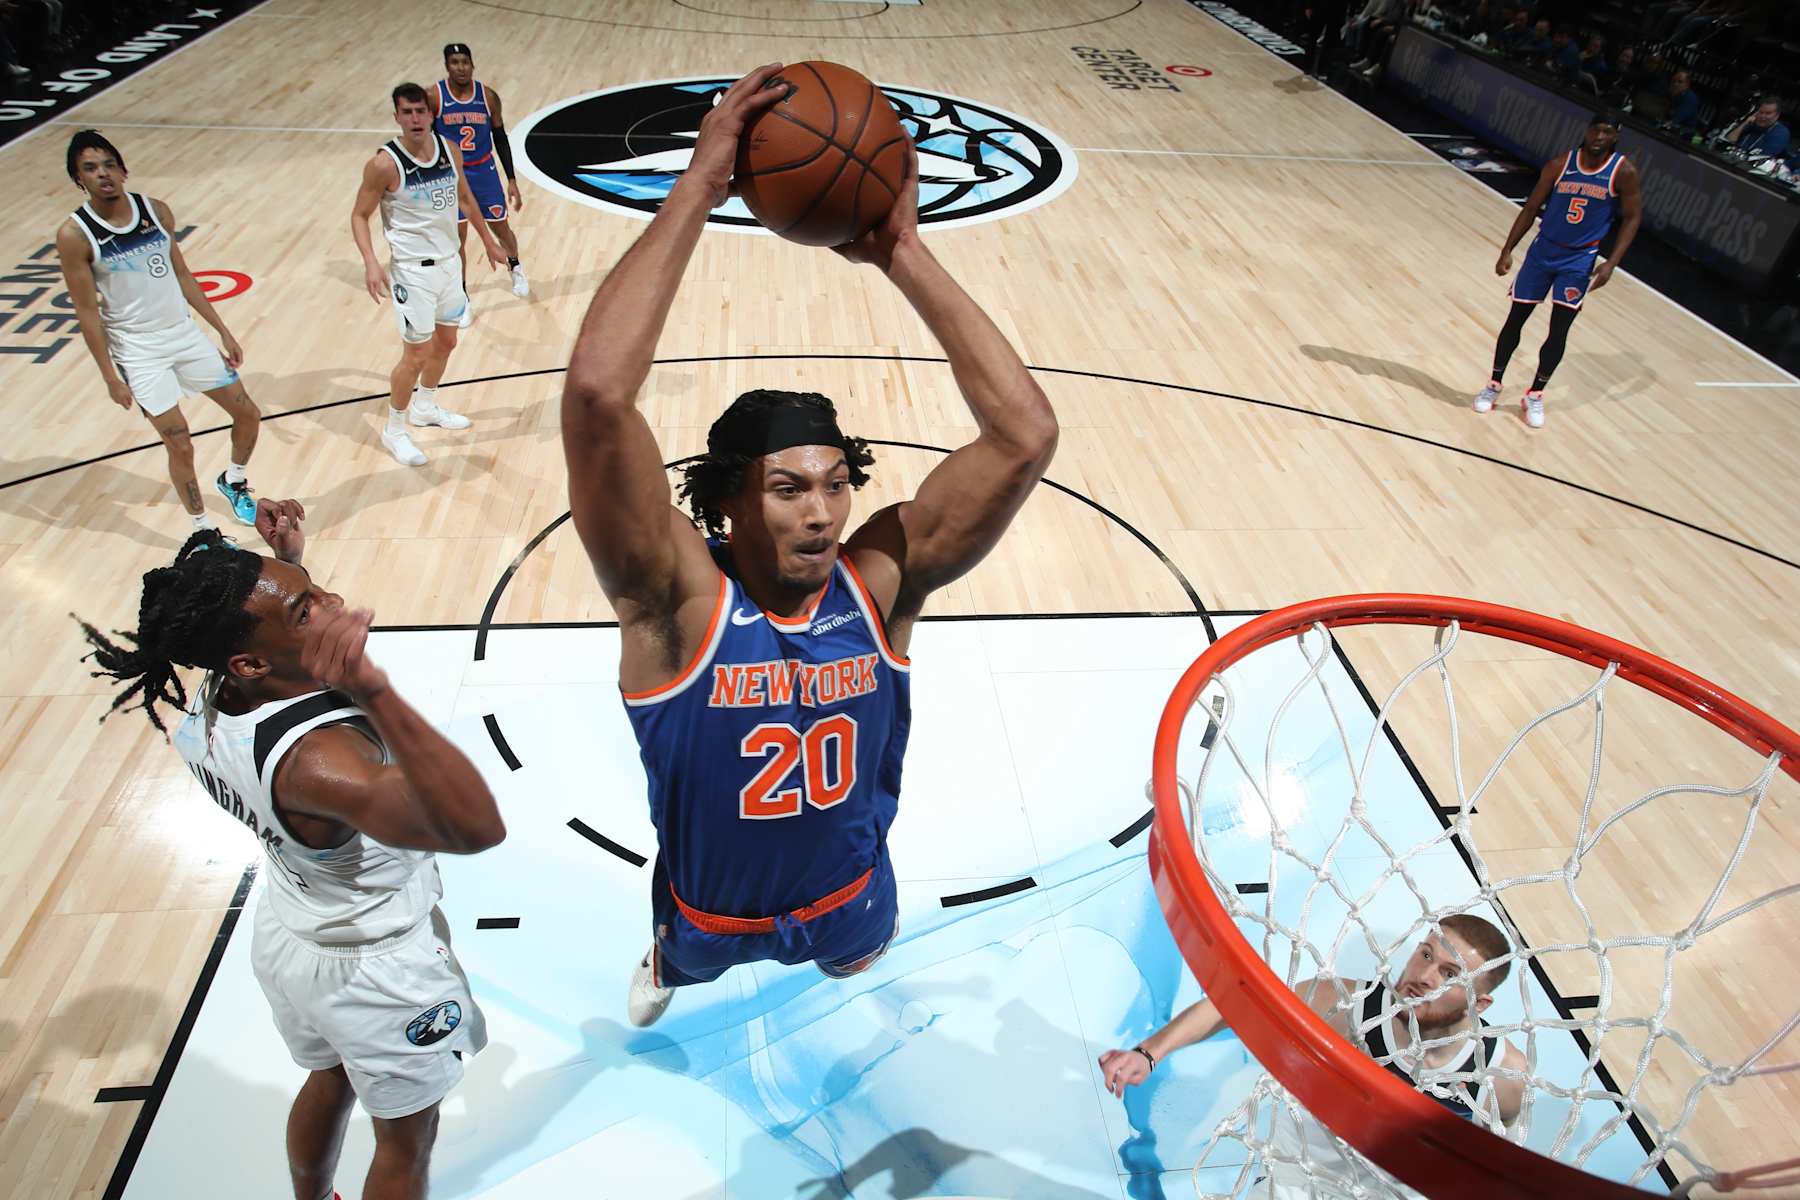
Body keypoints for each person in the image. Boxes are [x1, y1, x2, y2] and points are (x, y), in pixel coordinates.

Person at [558, 65, 1058, 1027]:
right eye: (788, 490)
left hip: (849, 900)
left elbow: (1025, 435)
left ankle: (838, 960)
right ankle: (665, 969)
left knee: (854, 960)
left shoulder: (879, 582)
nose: (822, 514)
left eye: (836, 485)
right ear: (732, 504)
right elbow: (595, 399)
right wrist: (701, 187)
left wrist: (903, 251)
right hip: (709, 915)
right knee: (677, 967)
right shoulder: (675, 603)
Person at [75, 497, 505, 1200]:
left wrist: (292, 571)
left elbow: (266, 648)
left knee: (329, 1076)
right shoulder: (325, 764)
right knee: (405, 1146)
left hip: (292, 933)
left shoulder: (220, 690)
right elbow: (477, 827)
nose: (335, 602)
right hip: (376, 968)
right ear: (251, 658)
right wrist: (375, 690)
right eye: (306, 609)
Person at [1099, 916, 1529, 1193]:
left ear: (1480, 1005)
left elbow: (1500, 1142)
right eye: (1426, 954)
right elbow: (1235, 1001)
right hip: (1296, 1180)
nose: (1423, 976)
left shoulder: (1500, 1073)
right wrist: (1149, 1052)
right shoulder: (1345, 1005)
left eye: (1449, 974)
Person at [56, 129, 262, 533]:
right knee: (180, 442)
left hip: (183, 335)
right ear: (79, 179)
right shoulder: (75, 234)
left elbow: (182, 274)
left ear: (123, 169)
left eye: (109, 164)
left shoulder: (156, 212)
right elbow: (86, 312)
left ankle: (234, 481)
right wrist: (110, 377)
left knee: (249, 414)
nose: (103, 174)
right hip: (137, 351)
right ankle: (203, 532)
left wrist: (221, 329)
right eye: (91, 168)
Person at [351, 83, 507, 467]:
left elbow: (467, 200)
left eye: (420, 111)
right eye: (407, 113)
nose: (415, 119)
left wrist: (487, 240)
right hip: (412, 272)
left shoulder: (450, 151)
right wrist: (371, 262)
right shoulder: (384, 164)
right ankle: (395, 429)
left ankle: (425, 405)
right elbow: (359, 215)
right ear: (397, 117)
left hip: (450, 263)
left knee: (447, 343)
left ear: (431, 114)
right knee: (415, 354)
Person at [1475, 111, 1642, 427]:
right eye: (1596, 130)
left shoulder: (1623, 172)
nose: (1599, 137)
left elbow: (1633, 217)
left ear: (1616, 136)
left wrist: (1611, 262)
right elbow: (1531, 207)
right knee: (1516, 319)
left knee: (1559, 329)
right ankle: (1493, 385)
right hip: (1543, 251)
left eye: (1607, 132)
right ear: (1588, 130)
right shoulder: (1560, 164)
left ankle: (1535, 394)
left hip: (1579, 260)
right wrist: (1507, 249)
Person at [428, 43, 529, 299]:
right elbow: (427, 140)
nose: (461, 67)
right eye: (455, 62)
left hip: (484, 172)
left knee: (501, 228)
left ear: (472, 64)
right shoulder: (435, 97)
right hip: (451, 175)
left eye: (465, 62)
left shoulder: (488, 97)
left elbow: (500, 137)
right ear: (447, 66)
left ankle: (515, 266)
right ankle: (461, 294)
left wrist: (511, 179)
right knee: (458, 237)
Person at [1724, 95, 1790, 160]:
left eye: (1768, 113)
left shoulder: (1781, 132)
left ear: (1777, 115)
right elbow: (1727, 142)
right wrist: (1745, 123)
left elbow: (1762, 157)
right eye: (1761, 112)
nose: (1762, 116)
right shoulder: (1751, 124)